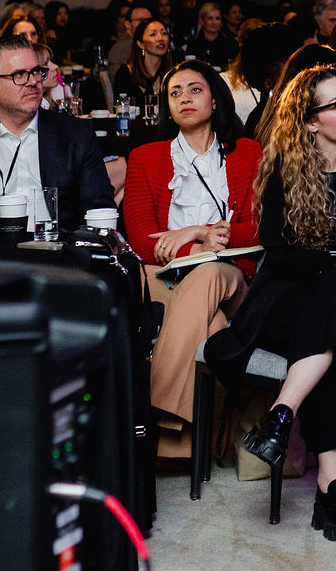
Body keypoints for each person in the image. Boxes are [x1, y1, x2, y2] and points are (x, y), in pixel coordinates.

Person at [209, 66, 336, 542]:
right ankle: (332, 485)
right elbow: (283, 255)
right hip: (290, 303)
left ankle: (281, 414)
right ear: (310, 121)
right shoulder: (283, 172)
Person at [121, 58, 261, 454]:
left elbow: (260, 228)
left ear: (215, 100)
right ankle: (188, 443)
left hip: (229, 275)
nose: (184, 98)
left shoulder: (248, 152)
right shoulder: (146, 157)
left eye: (195, 90)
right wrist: (195, 246)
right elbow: (141, 238)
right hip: (164, 275)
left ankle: (150, 417)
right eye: (175, 93)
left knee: (208, 274)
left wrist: (199, 233)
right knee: (211, 323)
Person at [0, 34, 115, 230]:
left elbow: (99, 208)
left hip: (55, 244)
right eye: (19, 75)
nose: (33, 82)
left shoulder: (75, 135)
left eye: (36, 72)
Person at [113, 18, 175, 107]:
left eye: (164, 33)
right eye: (153, 34)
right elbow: (120, 111)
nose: (160, 38)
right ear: (140, 44)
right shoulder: (126, 74)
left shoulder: (173, 73)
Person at [186, 3, 237, 68]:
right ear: (201, 21)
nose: (214, 22)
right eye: (210, 18)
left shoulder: (230, 44)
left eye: (217, 18)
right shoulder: (193, 45)